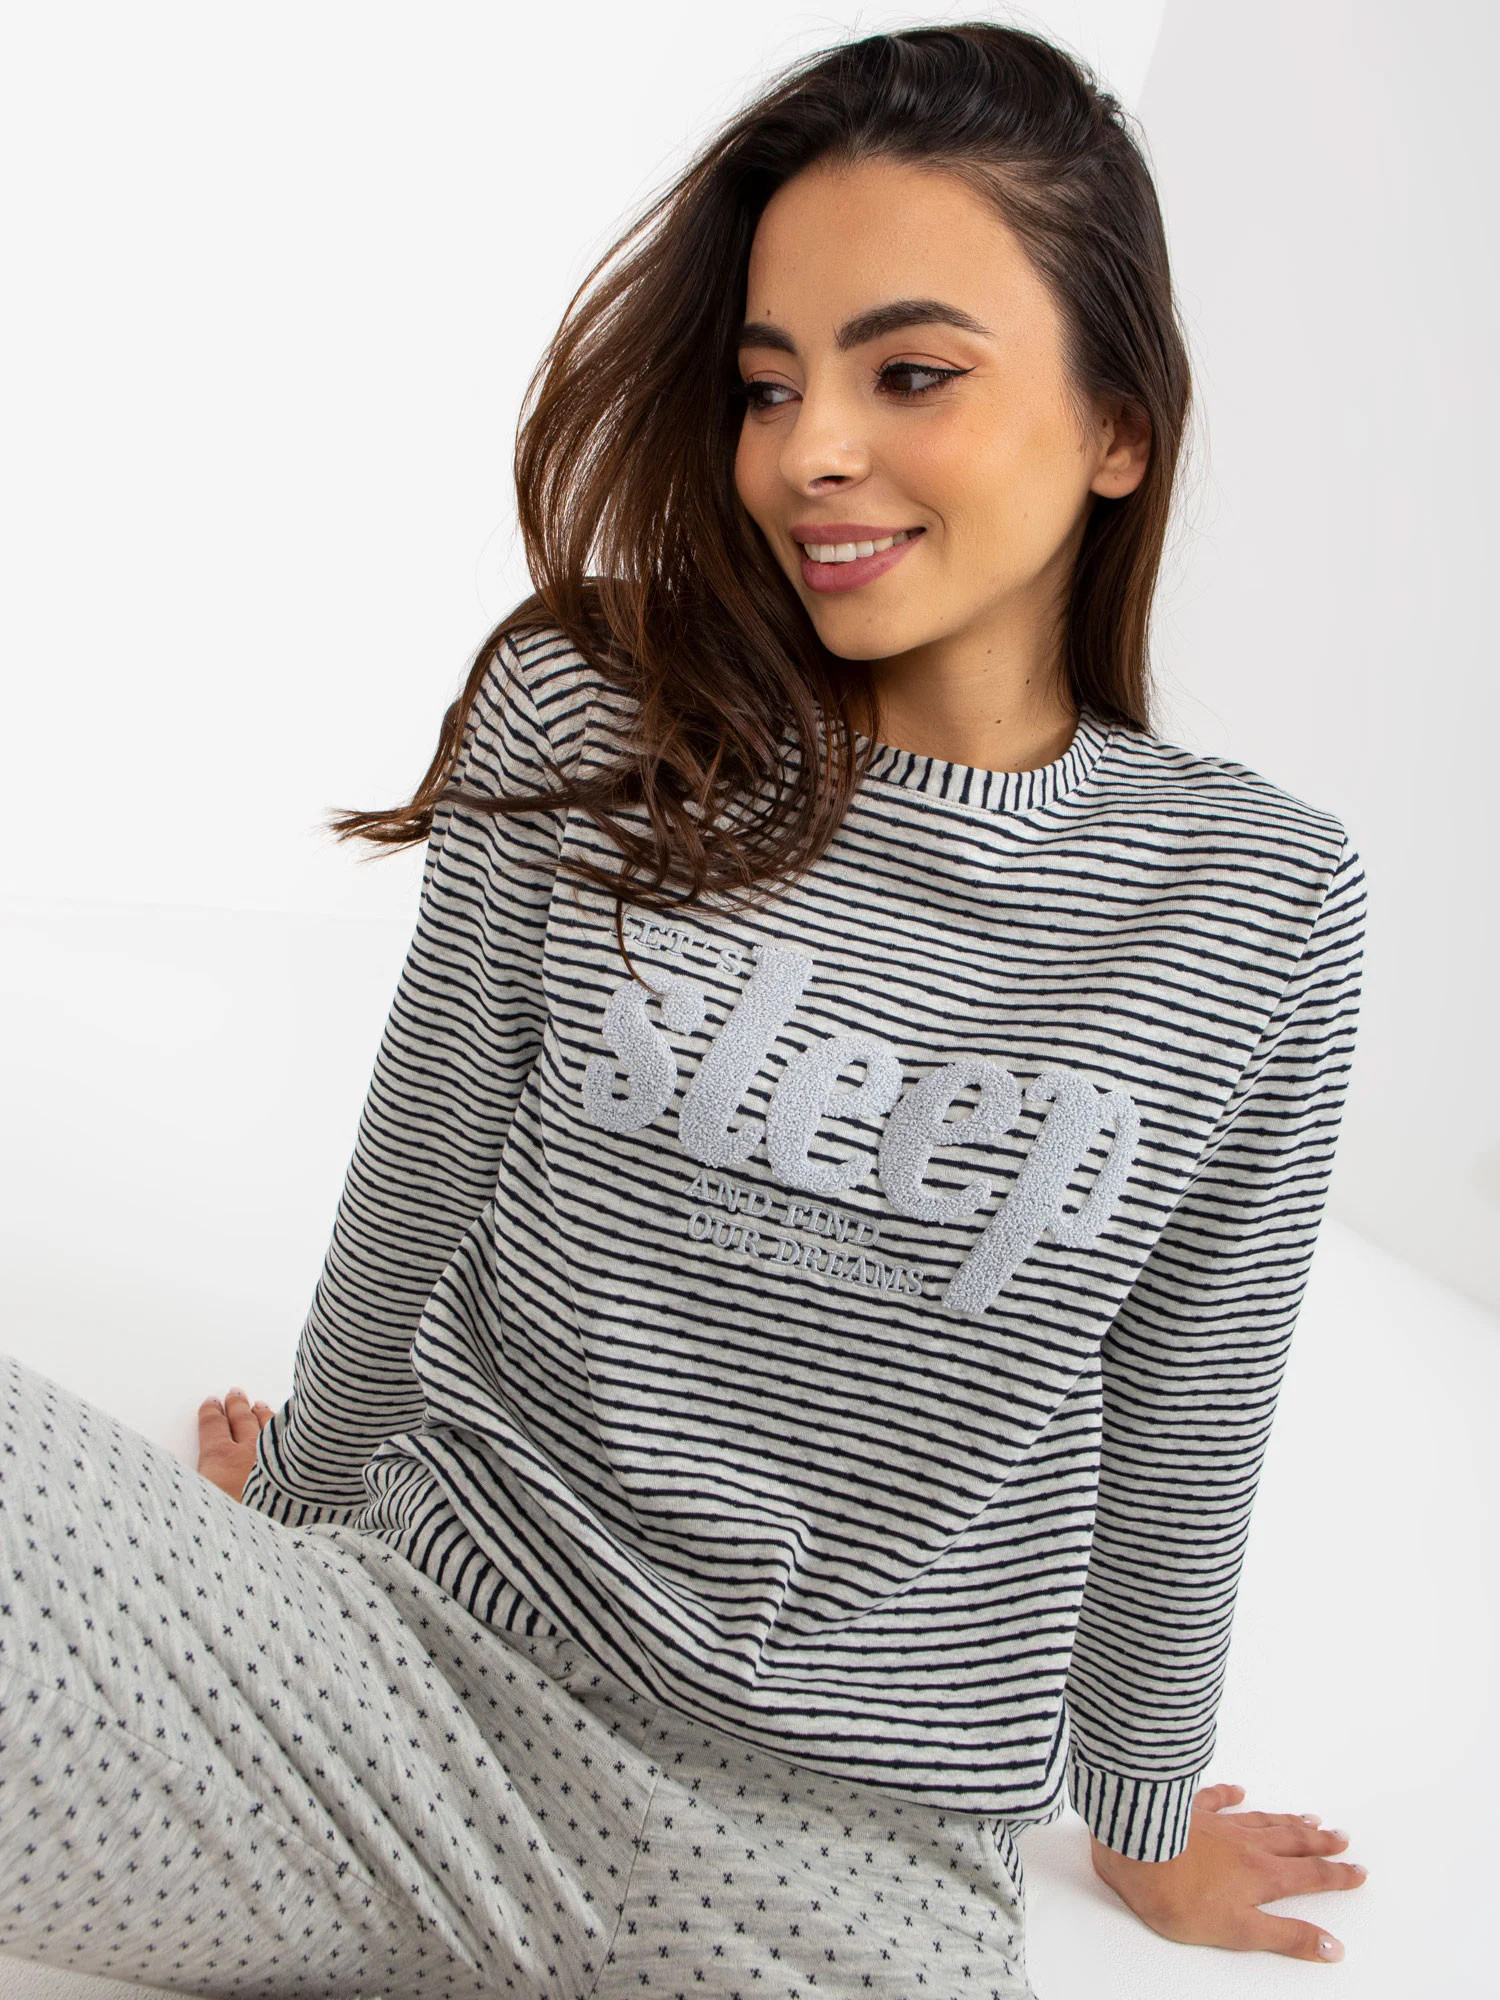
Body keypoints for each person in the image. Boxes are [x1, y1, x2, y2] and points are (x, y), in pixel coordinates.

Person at [0, 21, 1370, 1998]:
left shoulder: (1254, 897)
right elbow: (426, 1158)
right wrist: (285, 1523)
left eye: (911, 374)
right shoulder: (592, 714)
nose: (809, 451)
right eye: (767, 382)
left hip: (831, 1864)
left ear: (1118, 426)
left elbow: (1190, 1398)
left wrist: (1142, 1811)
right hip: (394, 1683)